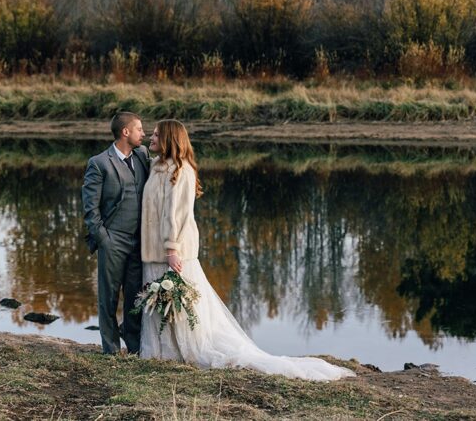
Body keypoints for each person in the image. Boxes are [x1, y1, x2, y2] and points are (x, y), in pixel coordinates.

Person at [139, 119, 354, 381]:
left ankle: (185, 352)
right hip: (151, 252)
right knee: (159, 303)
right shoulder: (157, 166)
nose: (151, 136)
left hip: (173, 251)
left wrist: (172, 248)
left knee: (182, 306)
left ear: (169, 139)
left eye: (156, 134)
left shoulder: (182, 170)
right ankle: (162, 352)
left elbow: (178, 215)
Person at [81, 111, 151, 354]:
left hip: (139, 241)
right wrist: (104, 239)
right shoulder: (99, 163)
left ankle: (134, 348)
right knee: (108, 298)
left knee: (135, 297)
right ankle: (110, 349)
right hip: (113, 240)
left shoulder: (142, 155)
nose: (144, 133)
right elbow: (90, 209)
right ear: (125, 132)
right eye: (139, 129)